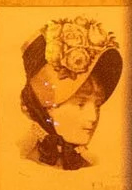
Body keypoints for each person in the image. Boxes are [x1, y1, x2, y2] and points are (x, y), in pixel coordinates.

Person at [18, 12, 123, 172]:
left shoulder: (91, 165)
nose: (93, 118)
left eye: (97, 105)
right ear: (45, 107)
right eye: (80, 104)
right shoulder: (20, 162)